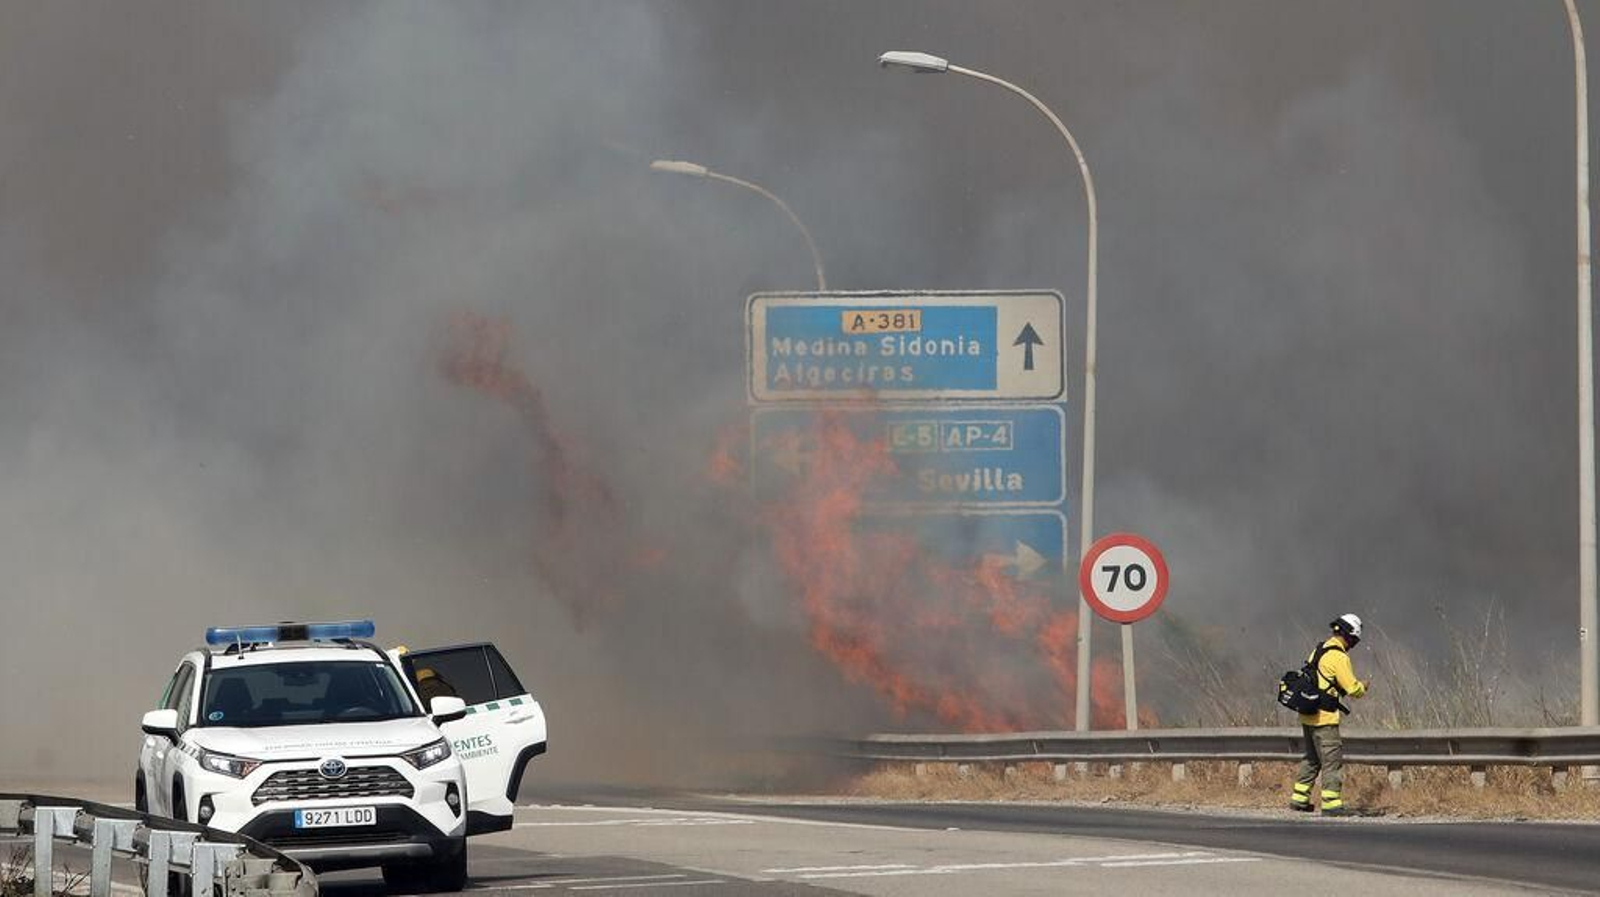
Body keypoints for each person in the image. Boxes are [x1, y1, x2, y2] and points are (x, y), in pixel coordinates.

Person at [1289, 613, 1368, 817]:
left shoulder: (1319, 649)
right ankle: (1331, 803)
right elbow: (1352, 689)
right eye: (1355, 641)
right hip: (1325, 719)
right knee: (1332, 761)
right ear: (1350, 636)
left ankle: (1299, 799)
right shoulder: (1339, 657)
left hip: (1308, 716)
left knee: (1311, 758)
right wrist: (1363, 687)